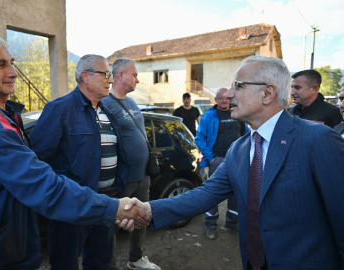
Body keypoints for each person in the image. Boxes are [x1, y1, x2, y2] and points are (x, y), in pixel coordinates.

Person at [0, 31, 149, 270]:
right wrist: (112, 208)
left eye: (12, 63)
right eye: (0, 65)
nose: (13, 72)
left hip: (81, 205)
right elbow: (38, 175)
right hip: (4, 238)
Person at [122, 56, 344, 270]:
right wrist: (148, 209)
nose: (228, 94)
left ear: (267, 93)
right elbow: (205, 194)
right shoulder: (239, 149)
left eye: (237, 86)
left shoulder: (318, 139)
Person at [30, 54, 132, 270]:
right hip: (72, 206)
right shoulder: (59, 109)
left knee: (100, 261)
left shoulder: (106, 111)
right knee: (65, 263)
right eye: (105, 74)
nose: (111, 80)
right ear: (85, 76)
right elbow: (38, 159)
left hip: (105, 202)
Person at [102, 58, 160, 270]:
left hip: (142, 176)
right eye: (134, 75)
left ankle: (135, 259)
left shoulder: (132, 102)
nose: (137, 79)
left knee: (142, 219)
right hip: (122, 179)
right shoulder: (105, 104)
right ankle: (108, 265)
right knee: (113, 224)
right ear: (120, 76)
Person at [195, 87, 249, 240]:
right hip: (217, 160)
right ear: (216, 100)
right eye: (220, 98)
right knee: (213, 192)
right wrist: (211, 158)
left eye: (226, 98)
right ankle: (211, 224)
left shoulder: (238, 113)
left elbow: (246, 135)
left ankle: (232, 223)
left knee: (236, 193)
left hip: (238, 159)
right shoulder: (208, 116)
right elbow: (199, 138)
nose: (224, 100)